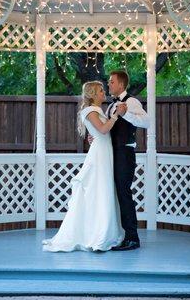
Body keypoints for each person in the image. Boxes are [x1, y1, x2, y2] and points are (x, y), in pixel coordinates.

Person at [42, 81, 125, 252]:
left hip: (104, 151)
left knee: (103, 189)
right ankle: (97, 233)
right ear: (94, 94)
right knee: (99, 189)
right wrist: (116, 115)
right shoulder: (90, 110)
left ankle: (104, 229)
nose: (104, 93)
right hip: (99, 155)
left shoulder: (97, 110)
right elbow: (102, 130)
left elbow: (98, 133)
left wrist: (95, 134)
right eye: (101, 91)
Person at [105, 70, 149, 251]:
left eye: (111, 82)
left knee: (124, 193)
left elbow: (146, 122)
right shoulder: (110, 106)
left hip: (125, 153)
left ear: (121, 85)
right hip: (111, 153)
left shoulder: (131, 101)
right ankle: (119, 234)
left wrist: (126, 115)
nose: (109, 84)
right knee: (115, 194)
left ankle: (132, 238)